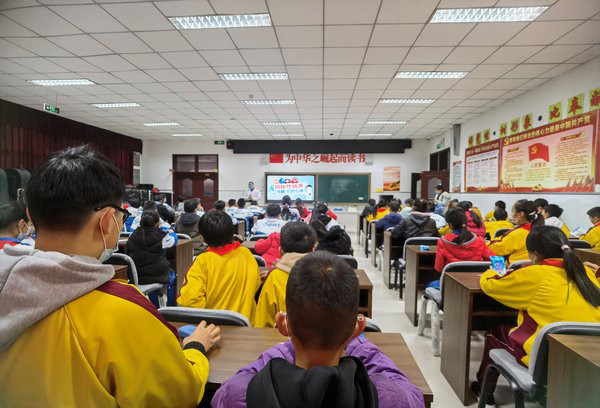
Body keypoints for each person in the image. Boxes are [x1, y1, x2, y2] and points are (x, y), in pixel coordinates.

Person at [0, 145, 220, 406]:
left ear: (29, 216)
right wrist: (195, 348)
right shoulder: (123, 312)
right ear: (106, 221)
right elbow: (179, 394)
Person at [213, 251, 426, 408]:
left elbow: (241, 379)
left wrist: (285, 345)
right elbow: (407, 390)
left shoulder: (238, 394)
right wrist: (357, 339)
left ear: (282, 324)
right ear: (358, 328)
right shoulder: (393, 398)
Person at [472, 226, 600, 405]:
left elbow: (491, 285)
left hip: (547, 361)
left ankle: (483, 389)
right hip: (588, 358)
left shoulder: (535, 273)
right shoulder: (585, 273)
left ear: (534, 254)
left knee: (496, 332)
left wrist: (491, 271)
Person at [178, 210, 261, 322]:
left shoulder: (202, 261)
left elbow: (189, 301)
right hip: (247, 325)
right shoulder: (246, 253)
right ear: (232, 232)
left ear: (203, 238)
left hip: (214, 327)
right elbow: (256, 283)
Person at [255, 222, 317, 328]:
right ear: (313, 249)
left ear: (280, 251)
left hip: (284, 337)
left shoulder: (274, 278)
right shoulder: (328, 274)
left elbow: (263, 324)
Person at [128, 210, 179, 306]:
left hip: (137, 277)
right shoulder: (162, 236)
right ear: (157, 223)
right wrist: (172, 233)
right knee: (172, 276)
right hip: (158, 277)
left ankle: (154, 305)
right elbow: (174, 241)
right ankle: (170, 306)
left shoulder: (132, 236)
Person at [434, 208, 495, 274]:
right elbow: (495, 260)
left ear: (450, 225)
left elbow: (439, 268)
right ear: (466, 222)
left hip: (450, 279)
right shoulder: (479, 241)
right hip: (476, 279)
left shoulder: (442, 242)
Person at [488, 199, 544, 264]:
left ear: (520, 214)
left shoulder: (519, 233)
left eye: (512, 211)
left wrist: (483, 243)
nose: (512, 214)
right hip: (532, 265)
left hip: (513, 267)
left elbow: (497, 249)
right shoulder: (538, 230)